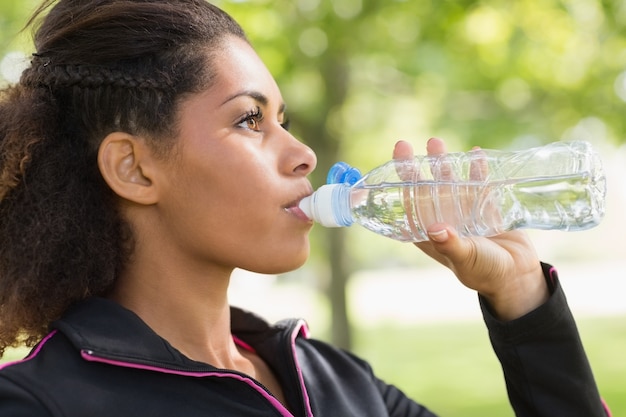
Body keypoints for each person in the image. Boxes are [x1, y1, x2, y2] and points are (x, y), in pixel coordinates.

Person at [0, 1, 611, 416]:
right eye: (249, 119)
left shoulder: (339, 384)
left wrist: (522, 295)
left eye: (284, 119)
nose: (303, 154)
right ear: (134, 168)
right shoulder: (40, 403)